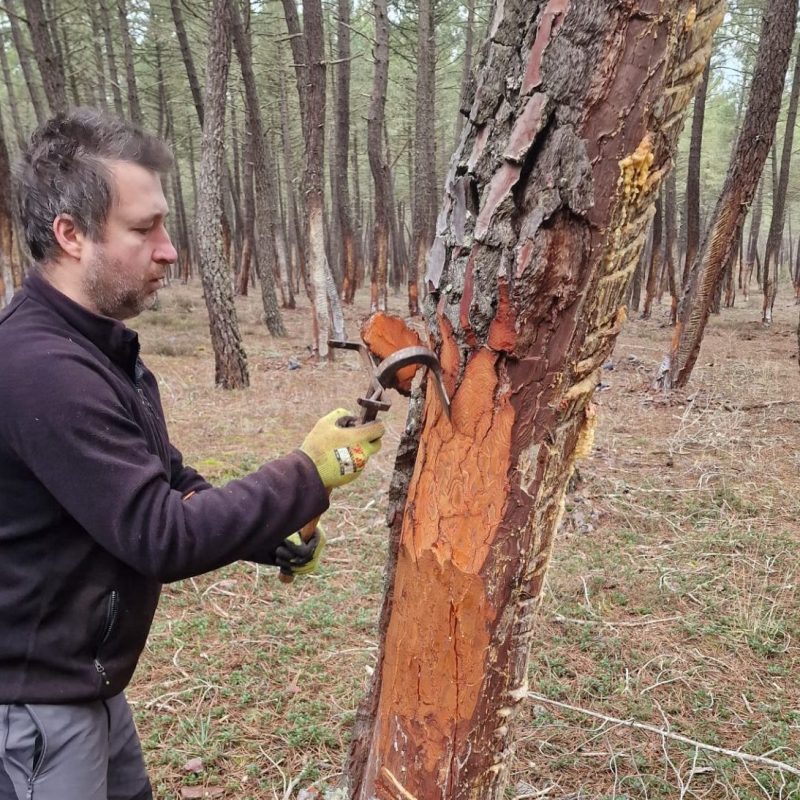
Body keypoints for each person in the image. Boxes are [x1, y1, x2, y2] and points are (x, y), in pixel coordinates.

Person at [0, 109, 385, 800]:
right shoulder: (39, 368)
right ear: (71, 235)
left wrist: (272, 534)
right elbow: (161, 533)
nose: (170, 250)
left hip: (82, 681)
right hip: (32, 703)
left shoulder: (97, 347)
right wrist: (306, 473)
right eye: (144, 230)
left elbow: (168, 481)